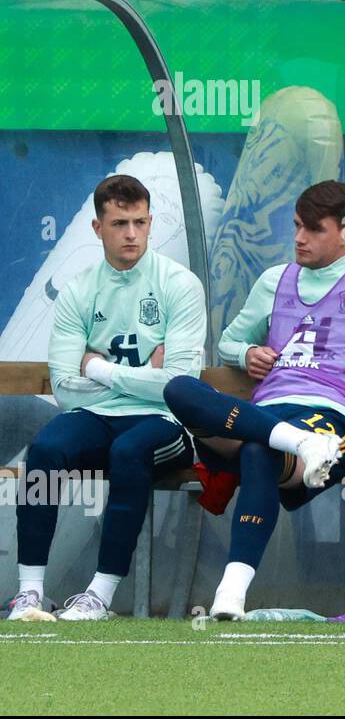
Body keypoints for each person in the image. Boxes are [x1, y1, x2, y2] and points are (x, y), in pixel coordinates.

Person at [163, 180, 345, 620]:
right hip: (268, 417)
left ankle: (231, 592)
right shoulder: (274, 280)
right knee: (178, 390)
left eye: (314, 229)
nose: (300, 238)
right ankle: (297, 443)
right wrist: (246, 353)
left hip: (333, 422)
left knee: (258, 450)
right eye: (297, 226)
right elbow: (229, 341)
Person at [7, 175, 205, 621]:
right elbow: (63, 388)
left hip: (164, 421)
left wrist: (96, 368)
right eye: (119, 223)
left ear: (151, 222)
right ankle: (30, 593)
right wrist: (143, 374)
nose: (131, 233)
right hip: (95, 414)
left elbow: (178, 384)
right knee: (45, 450)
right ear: (98, 228)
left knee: (128, 451)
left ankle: (99, 594)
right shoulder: (78, 290)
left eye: (139, 222)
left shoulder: (180, 285)